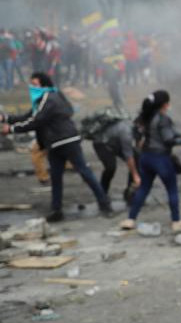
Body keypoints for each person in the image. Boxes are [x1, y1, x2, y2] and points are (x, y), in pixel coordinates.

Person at [0, 73, 112, 222]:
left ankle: (104, 203)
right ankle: (57, 210)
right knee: (56, 177)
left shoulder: (49, 98)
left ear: (43, 83)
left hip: (66, 140)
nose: (32, 87)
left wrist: (12, 129)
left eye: (35, 84)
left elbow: (36, 121)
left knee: (84, 172)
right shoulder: (45, 99)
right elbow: (29, 116)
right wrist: (5, 118)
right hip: (54, 143)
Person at [121, 90, 181, 232]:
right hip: (161, 159)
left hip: (145, 158)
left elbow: (167, 134)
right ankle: (176, 221)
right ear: (165, 104)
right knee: (172, 189)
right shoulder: (163, 119)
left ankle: (130, 219)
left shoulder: (144, 116)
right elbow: (169, 140)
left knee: (144, 188)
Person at [83, 109, 140, 204]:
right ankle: (102, 194)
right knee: (111, 167)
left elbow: (137, 148)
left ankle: (130, 192)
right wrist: (136, 176)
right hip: (101, 143)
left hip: (114, 141)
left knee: (138, 157)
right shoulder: (127, 132)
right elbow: (129, 156)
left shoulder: (134, 126)